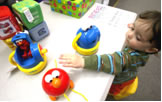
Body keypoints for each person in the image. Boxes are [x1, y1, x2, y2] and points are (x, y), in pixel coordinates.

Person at [59, 10, 161, 100]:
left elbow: (111, 61)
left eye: (138, 37)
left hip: (120, 81)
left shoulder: (130, 58)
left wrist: (82, 61)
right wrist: (137, 29)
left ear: (150, 49)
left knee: (106, 88)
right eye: (132, 28)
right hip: (130, 74)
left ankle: (111, 94)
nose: (129, 34)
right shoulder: (143, 49)